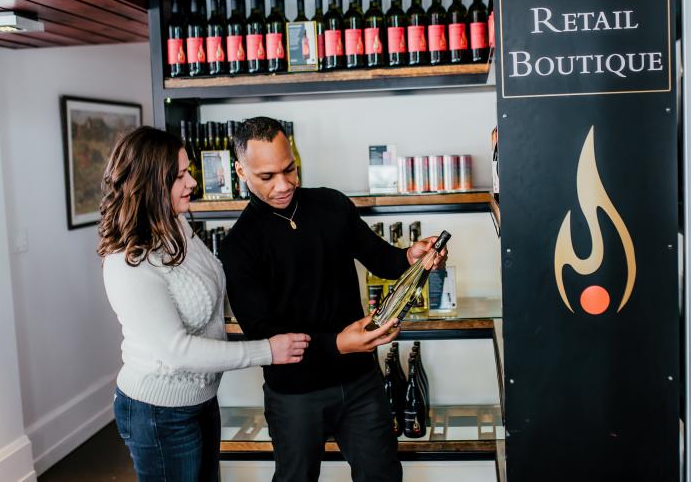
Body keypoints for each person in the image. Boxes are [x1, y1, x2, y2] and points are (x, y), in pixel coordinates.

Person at [220, 117, 448, 482]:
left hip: (360, 381)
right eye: (267, 176)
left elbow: (381, 258)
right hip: (294, 394)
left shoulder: (331, 204)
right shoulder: (239, 246)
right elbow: (265, 333)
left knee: (383, 476)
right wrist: (339, 343)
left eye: (289, 169)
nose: (284, 184)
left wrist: (411, 256)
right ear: (241, 171)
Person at [98, 126, 310, 482]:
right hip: (158, 412)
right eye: (180, 176)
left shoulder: (175, 225)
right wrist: (267, 351)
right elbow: (178, 351)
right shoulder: (128, 262)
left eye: (188, 170)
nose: (192, 182)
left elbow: (211, 287)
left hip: (200, 399)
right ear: (149, 182)